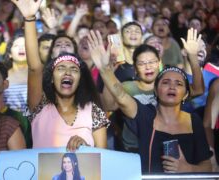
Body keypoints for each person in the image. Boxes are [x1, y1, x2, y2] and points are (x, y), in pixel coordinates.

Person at [87, 29, 212, 173]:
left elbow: (207, 167)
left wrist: (187, 168)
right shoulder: (145, 115)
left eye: (178, 84)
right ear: (156, 91)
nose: (172, 86)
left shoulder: (194, 121)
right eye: (165, 83)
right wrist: (105, 70)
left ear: (185, 94)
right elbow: (120, 97)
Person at [11, 0, 109, 151]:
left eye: (74, 70)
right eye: (61, 68)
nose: (68, 72)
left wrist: (86, 149)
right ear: (51, 77)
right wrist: (30, 18)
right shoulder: (39, 106)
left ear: (80, 80)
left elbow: (104, 157)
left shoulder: (93, 110)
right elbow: (34, 69)